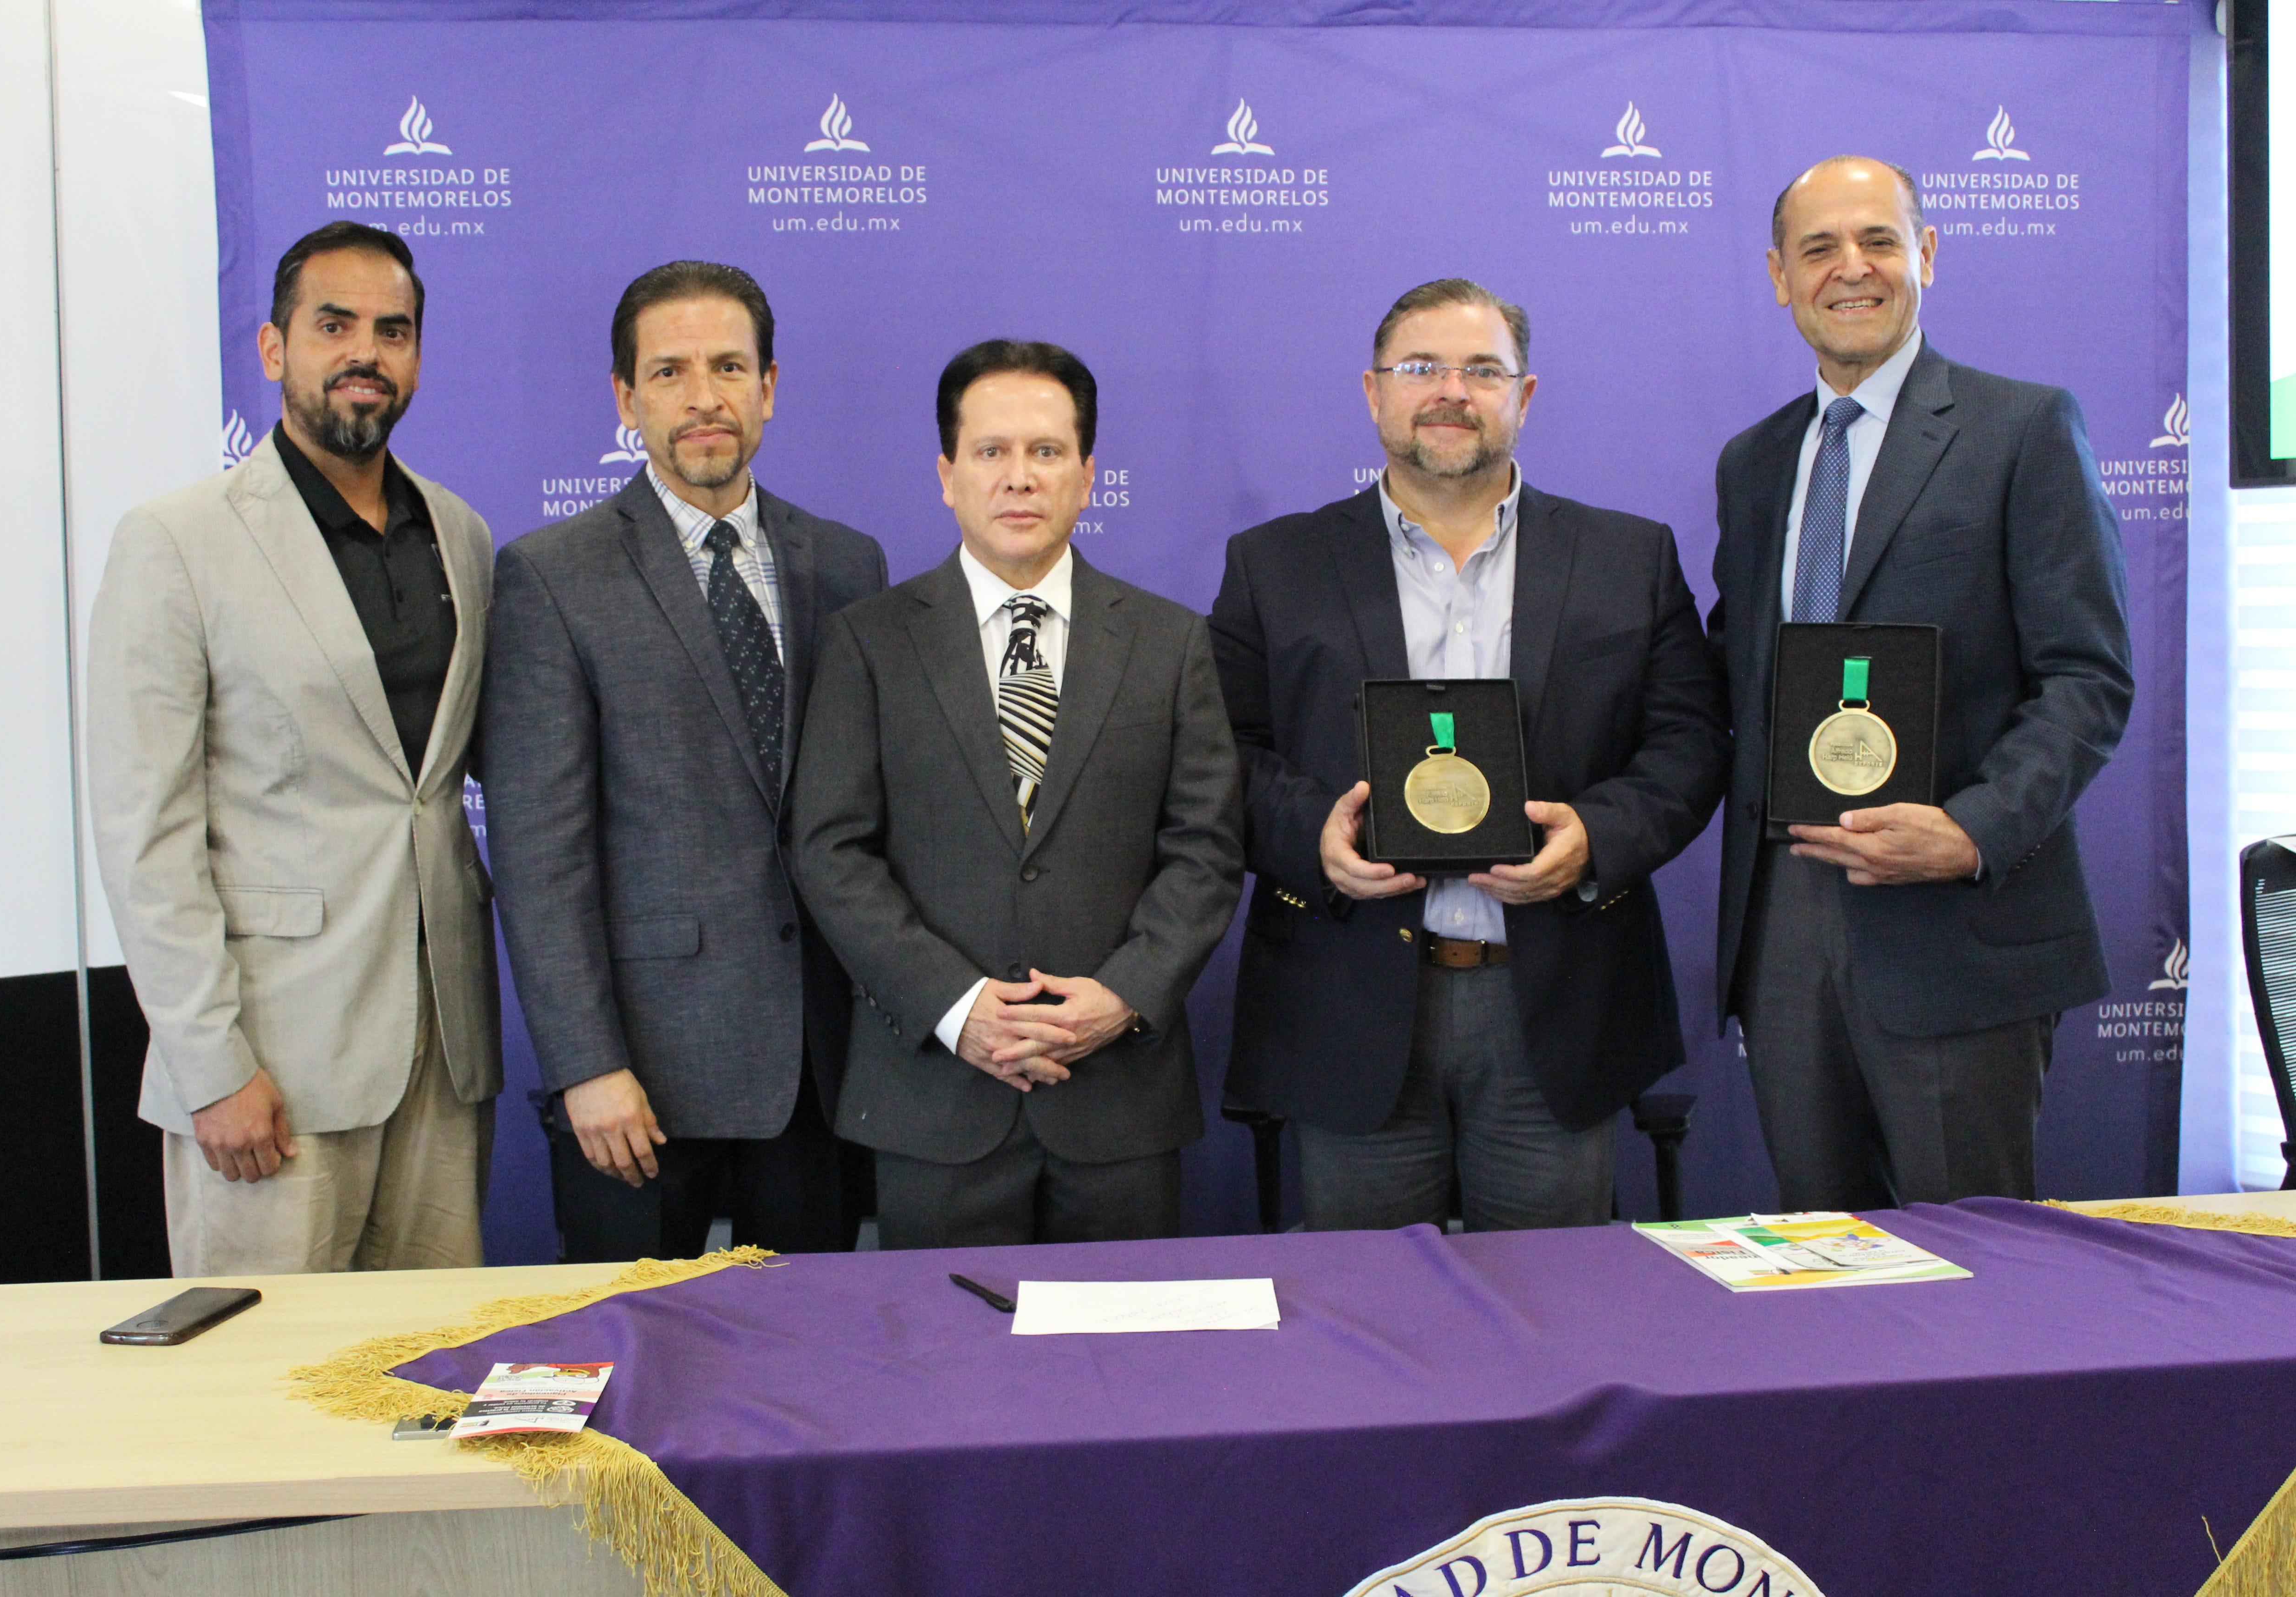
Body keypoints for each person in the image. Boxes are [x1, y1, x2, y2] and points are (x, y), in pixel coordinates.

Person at [1209, 279, 1728, 1231]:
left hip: (1556, 1008)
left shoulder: (1628, 557)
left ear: (1524, 398)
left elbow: (1690, 744)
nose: (1450, 390)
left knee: (1558, 1322)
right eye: (1421, 368)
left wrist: (1598, 838)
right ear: (1374, 393)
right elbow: (1219, 754)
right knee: (1373, 1330)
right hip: (1351, 1003)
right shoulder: (1273, 565)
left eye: (1482, 370)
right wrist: (1311, 838)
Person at [1710, 157, 2132, 1210]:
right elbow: (1736, 671)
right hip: (1786, 925)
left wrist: (1974, 829)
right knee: (1823, 1265)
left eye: (1879, 241)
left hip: (1957, 924)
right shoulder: (1755, 462)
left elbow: (2087, 677)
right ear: (1778, 277)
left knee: (1969, 1275)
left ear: (1927, 256)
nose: (1851, 270)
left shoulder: (2022, 429)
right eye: (1819, 249)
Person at [89, 221, 500, 1274]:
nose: (366, 351)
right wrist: (208, 1065)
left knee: (426, 1386)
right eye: (335, 325)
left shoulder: (462, 533)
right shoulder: (178, 541)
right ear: (274, 349)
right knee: (263, 1403)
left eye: (393, 330)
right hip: (269, 1067)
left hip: (442, 1060)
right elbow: (146, 834)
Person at [790, 340, 1244, 1249]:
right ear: (947, 476)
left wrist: (1122, 996)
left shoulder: (1170, 642)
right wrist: (956, 1007)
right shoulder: (870, 642)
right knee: (946, 1374)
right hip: (936, 1098)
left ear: (1086, 476)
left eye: (1045, 452)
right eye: (991, 452)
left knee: (1125, 1375)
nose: (1019, 478)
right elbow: (831, 851)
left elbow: (1207, 850)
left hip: (1119, 1103)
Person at [480, 262, 887, 1261]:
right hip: (641, 1083)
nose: (703, 397)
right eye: (668, 373)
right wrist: (586, 1065)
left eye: (729, 367)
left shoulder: (847, 563)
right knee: (630, 1370)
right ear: (626, 398)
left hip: (818, 1070)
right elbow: (540, 856)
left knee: (809, 1371)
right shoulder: (552, 576)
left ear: (770, 388)